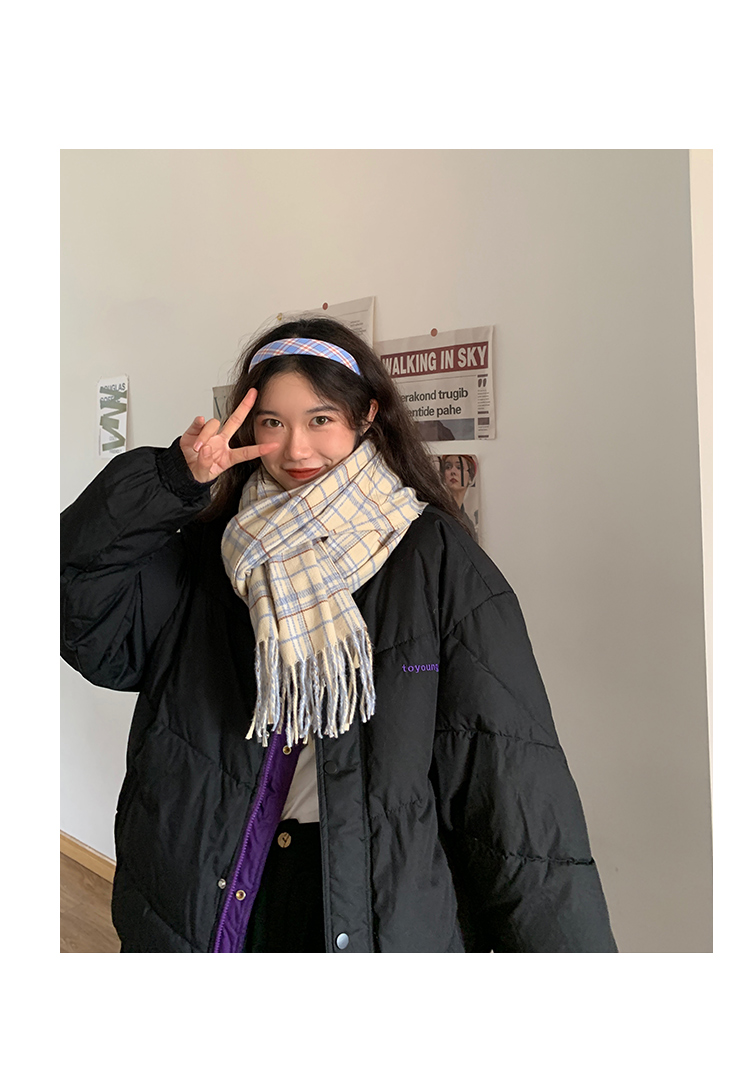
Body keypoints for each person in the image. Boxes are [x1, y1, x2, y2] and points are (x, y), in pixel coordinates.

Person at [60, 317, 617, 953]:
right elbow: (79, 610)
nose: (296, 449)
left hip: (362, 898)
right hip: (207, 883)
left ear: (366, 415)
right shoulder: (212, 551)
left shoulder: (431, 557)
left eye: (320, 419)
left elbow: (510, 780)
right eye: (272, 422)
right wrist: (168, 483)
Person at [440, 454, 478, 541]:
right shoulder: (435, 511)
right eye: (448, 467)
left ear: (470, 478)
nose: (453, 472)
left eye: (459, 467)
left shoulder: (469, 525)